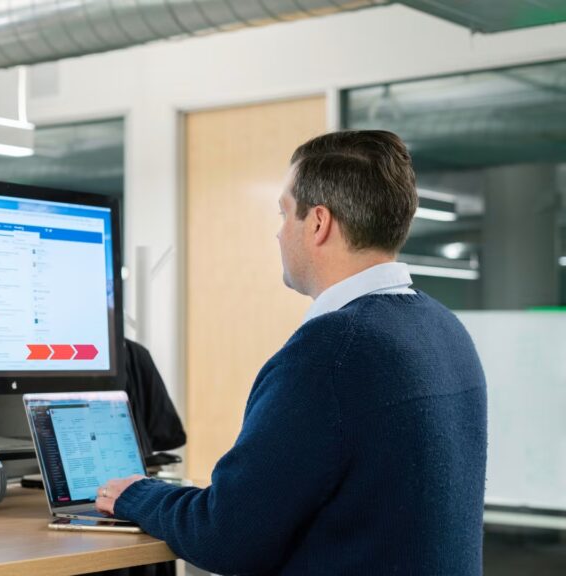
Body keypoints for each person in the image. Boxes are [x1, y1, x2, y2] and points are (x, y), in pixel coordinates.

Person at [96, 130, 487, 575]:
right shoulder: (445, 328)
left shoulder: (331, 353)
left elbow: (225, 537)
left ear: (318, 223)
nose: (279, 234)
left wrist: (136, 494)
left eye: (284, 213)